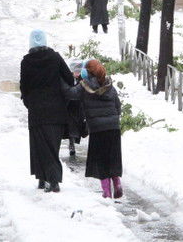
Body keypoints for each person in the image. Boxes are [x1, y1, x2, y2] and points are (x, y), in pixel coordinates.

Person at [20, 29, 75, 193]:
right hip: (56, 109)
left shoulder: (26, 62)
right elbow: (69, 78)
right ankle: (52, 178)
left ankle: (45, 179)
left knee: (39, 145)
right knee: (52, 145)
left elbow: (24, 87)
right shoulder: (55, 57)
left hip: (36, 111)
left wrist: (29, 103)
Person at [63, 59, 123, 199]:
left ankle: (106, 191)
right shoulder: (109, 85)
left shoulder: (85, 86)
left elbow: (70, 94)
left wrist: (62, 81)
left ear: (87, 72)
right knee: (113, 157)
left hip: (97, 128)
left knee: (101, 159)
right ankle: (117, 184)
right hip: (113, 127)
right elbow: (118, 106)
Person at [65, 60, 88, 156]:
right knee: (71, 126)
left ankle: (73, 141)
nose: (77, 73)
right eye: (76, 71)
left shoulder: (83, 79)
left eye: (79, 71)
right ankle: (71, 144)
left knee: (79, 126)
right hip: (70, 106)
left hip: (79, 106)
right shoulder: (69, 78)